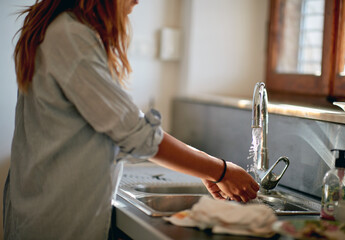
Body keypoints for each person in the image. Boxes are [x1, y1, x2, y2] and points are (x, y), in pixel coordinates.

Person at [3, 0, 259, 239]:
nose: (137, 0)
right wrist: (220, 170)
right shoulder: (71, 37)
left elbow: (120, 128)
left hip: (41, 204)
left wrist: (205, 165)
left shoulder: (58, 29)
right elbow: (138, 136)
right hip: (57, 218)